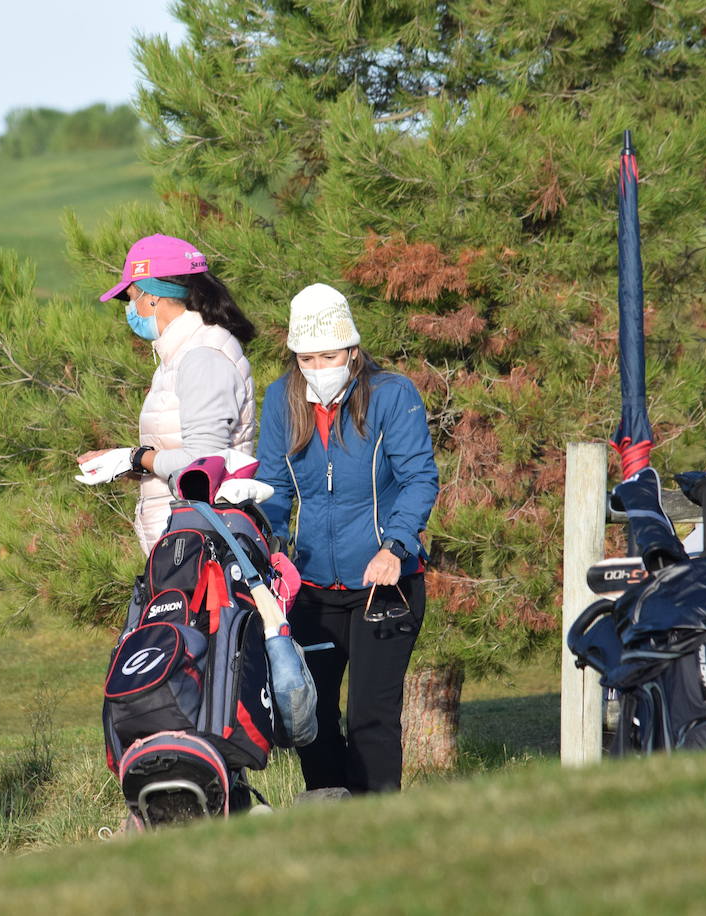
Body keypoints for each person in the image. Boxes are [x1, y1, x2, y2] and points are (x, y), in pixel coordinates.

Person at [254, 283, 440, 795]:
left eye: (329, 355)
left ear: (353, 351)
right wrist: (268, 545)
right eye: (307, 358)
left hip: (385, 583)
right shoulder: (281, 398)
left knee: (371, 718)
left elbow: (419, 478)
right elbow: (271, 485)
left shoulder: (391, 394)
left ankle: (377, 827)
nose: (318, 367)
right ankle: (330, 817)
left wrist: (395, 546)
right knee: (307, 714)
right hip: (309, 586)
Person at [76, 234, 257, 553]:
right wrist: (126, 464)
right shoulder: (181, 354)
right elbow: (178, 451)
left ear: (153, 296)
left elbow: (204, 463)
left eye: (131, 297)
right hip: (185, 545)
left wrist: (132, 457)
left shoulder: (203, 356)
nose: (131, 308)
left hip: (202, 547)